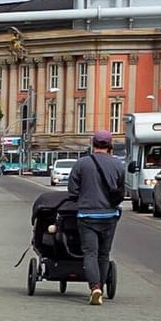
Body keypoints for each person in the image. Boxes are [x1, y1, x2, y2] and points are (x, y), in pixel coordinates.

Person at [66, 129, 125, 305]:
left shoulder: (82, 164)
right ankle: (102, 287)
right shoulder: (118, 165)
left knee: (90, 253)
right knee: (104, 254)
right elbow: (121, 190)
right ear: (110, 146)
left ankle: (95, 287)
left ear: (93, 145)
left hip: (87, 215)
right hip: (109, 215)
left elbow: (72, 191)